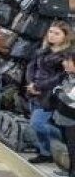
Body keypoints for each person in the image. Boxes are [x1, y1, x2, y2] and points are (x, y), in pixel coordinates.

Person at [25, 22, 72, 165]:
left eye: (57, 33)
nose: (52, 35)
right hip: (34, 91)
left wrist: (38, 85)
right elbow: (30, 66)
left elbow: (60, 78)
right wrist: (31, 83)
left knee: (37, 124)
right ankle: (44, 152)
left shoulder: (67, 55)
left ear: (65, 36)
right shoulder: (44, 49)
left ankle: (49, 148)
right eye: (50, 31)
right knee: (36, 124)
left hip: (49, 95)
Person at [51, 53, 75, 177]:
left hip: (73, 120)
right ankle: (70, 171)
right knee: (69, 147)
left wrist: (59, 92)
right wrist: (60, 91)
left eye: (68, 61)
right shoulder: (69, 77)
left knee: (74, 149)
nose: (64, 63)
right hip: (66, 118)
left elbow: (70, 101)